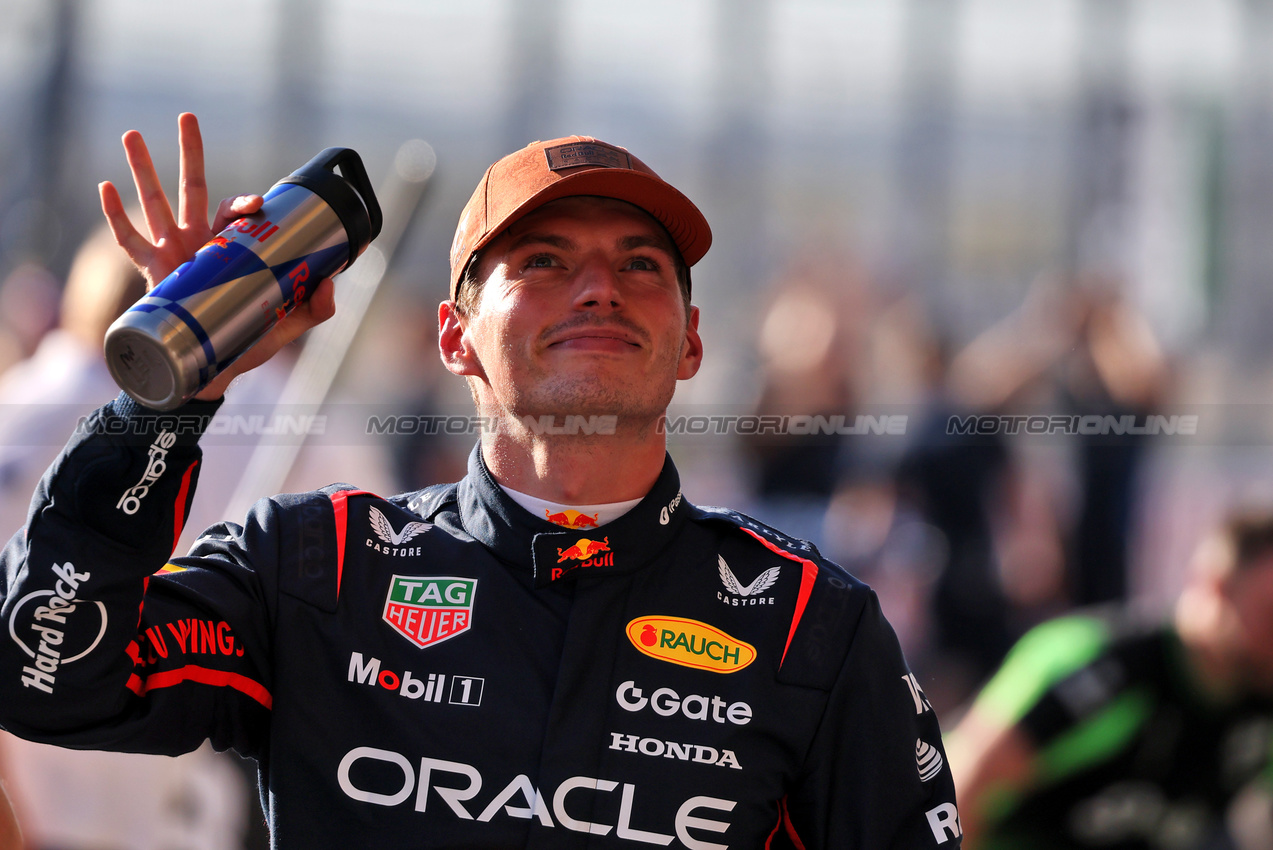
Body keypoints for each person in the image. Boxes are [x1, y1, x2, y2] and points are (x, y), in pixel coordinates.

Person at [0, 113, 961, 848]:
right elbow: (49, 679)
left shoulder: (808, 626)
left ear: (691, 342)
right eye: (543, 261)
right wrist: (167, 396)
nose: (600, 286)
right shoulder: (317, 568)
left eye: (641, 266)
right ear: (454, 338)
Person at [946, 510, 1273, 850]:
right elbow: (959, 786)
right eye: (1270, 614)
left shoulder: (1260, 697)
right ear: (1216, 586)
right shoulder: (1105, 665)